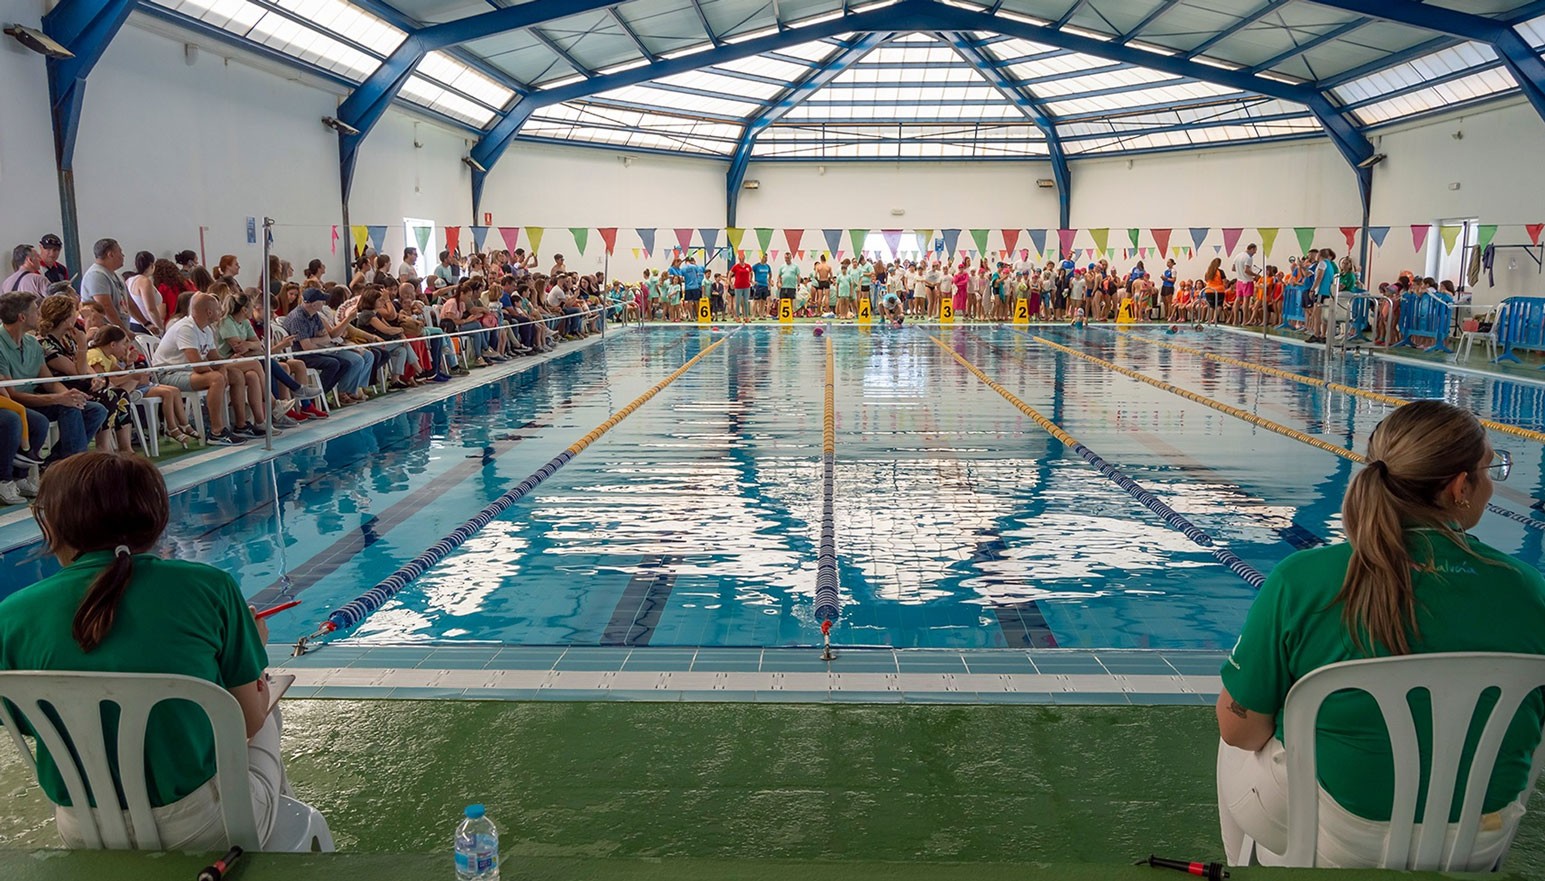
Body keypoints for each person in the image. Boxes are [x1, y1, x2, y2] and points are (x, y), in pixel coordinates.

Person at [1217, 401, 1544, 869]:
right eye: (1490, 469)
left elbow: (1240, 729)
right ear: (1459, 487)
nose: (1492, 484)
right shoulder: (1530, 591)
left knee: (1236, 719)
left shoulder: (1303, 580)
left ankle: (1247, 867)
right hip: (1477, 839)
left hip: (1337, 837)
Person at [0, 452, 304, 849]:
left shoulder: (11, 615)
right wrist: (253, 651)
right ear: (156, 519)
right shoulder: (209, 588)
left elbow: (23, 720)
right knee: (265, 700)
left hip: (82, 828)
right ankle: (280, 839)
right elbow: (246, 722)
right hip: (204, 826)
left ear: (54, 525)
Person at [0, 292, 110, 463]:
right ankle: (75, 464)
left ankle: (58, 462)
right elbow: (11, 394)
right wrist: (59, 398)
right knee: (69, 407)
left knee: (96, 409)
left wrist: (69, 395)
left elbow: (50, 382)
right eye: (35, 311)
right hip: (14, 402)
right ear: (22, 317)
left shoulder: (31, 343)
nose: (39, 315)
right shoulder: (7, 344)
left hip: (35, 398)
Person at [152, 292, 246, 446]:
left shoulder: (206, 329)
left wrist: (222, 369)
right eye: (217, 309)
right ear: (209, 312)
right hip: (168, 374)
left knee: (235, 374)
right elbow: (197, 365)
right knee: (216, 379)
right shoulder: (186, 328)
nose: (220, 312)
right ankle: (216, 431)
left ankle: (241, 425)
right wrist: (219, 373)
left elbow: (215, 360)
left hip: (187, 371)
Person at [80, 238, 144, 333]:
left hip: (119, 329)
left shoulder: (117, 275)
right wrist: (123, 330)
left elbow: (129, 303)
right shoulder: (96, 275)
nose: (123, 255)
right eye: (120, 252)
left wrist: (146, 323)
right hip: (105, 332)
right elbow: (106, 306)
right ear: (111, 254)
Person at [730, 255, 752, 323]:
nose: (741, 259)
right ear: (738, 259)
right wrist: (730, 284)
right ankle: (737, 316)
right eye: (740, 258)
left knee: (746, 302)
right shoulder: (736, 266)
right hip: (738, 286)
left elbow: (751, 273)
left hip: (746, 286)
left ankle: (746, 317)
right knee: (738, 302)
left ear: (744, 258)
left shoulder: (748, 266)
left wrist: (750, 280)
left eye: (742, 258)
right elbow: (729, 275)